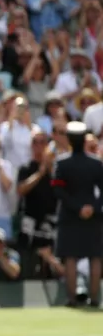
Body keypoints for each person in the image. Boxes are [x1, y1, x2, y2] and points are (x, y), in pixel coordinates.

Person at [50, 122, 103, 307]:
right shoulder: (96, 163)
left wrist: (78, 207)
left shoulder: (62, 163)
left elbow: (58, 191)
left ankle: (72, 299)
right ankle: (95, 299)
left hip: (70, 215)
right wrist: (93, 207)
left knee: (70, 257)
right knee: (95, 256)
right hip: (94, 215)